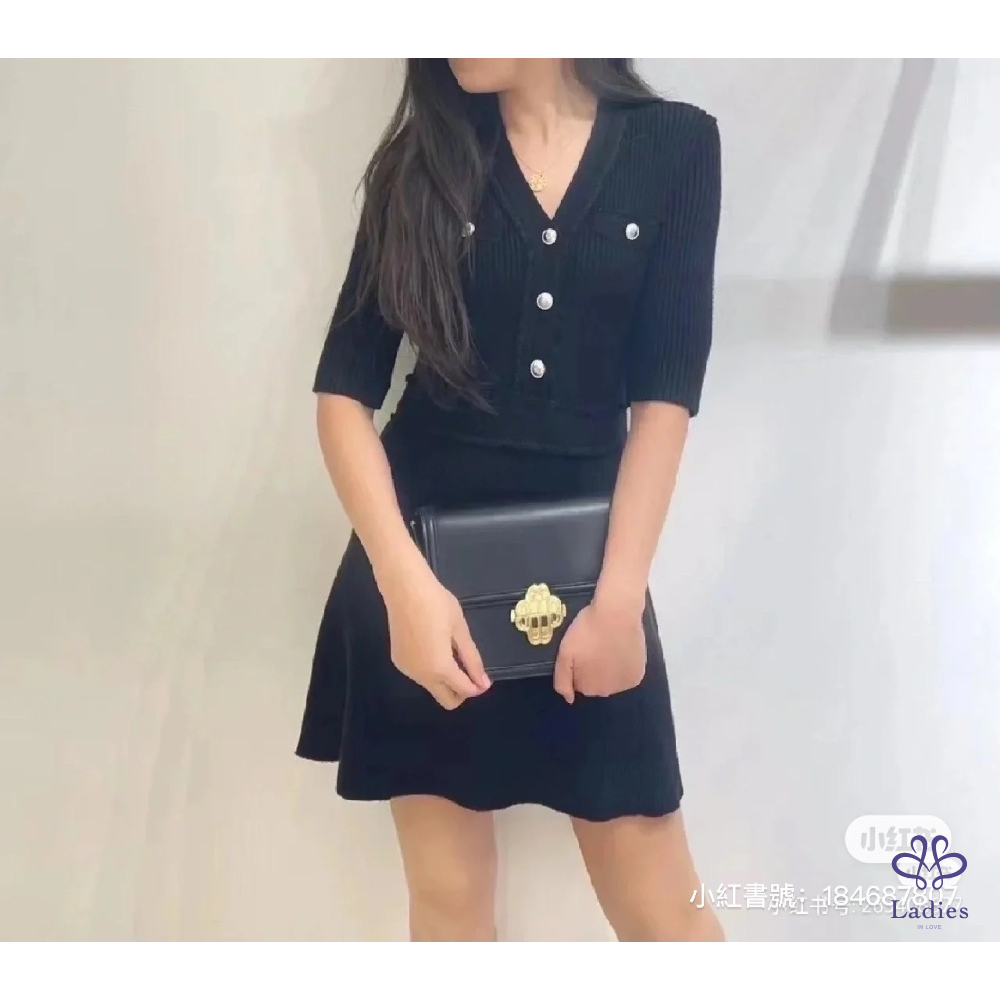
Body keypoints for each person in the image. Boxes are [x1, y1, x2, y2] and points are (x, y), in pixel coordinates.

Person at [296, 58, 724, 942]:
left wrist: (619, 603)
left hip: (591, 578)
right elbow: (342, 397)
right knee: (449, 901)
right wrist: (404, 589)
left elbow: (665, 401)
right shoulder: (420, 162)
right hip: (423, 575)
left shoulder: (675, 145)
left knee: (665, 914)